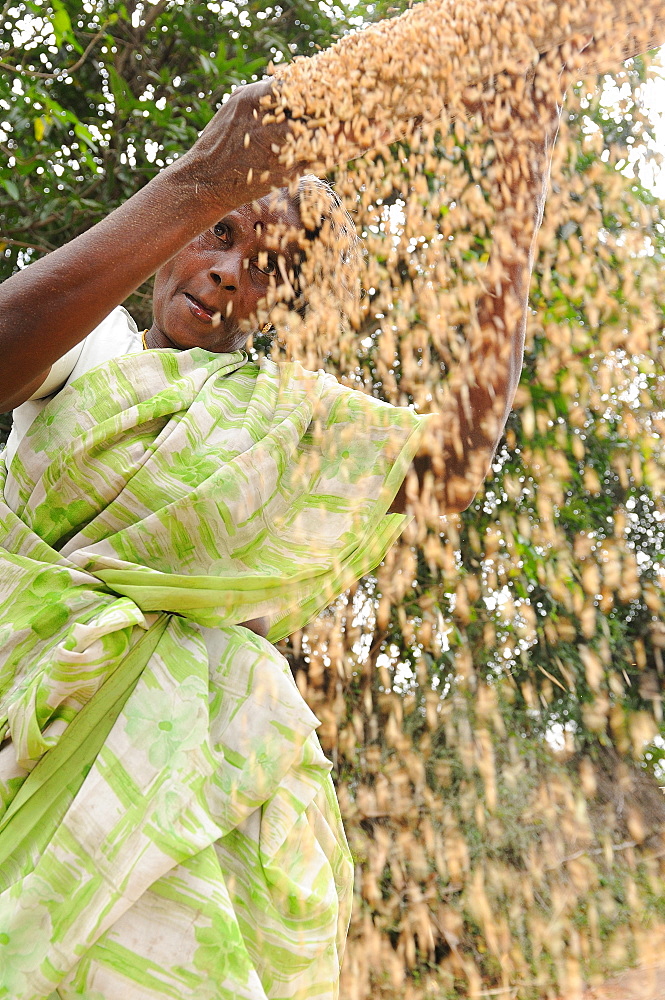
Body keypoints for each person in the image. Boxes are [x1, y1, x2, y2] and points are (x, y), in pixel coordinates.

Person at [0, 65, 561, 999]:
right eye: (221, 236)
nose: (230, 270)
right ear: (178, 237)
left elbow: (454, 467)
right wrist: (202, 177)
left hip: (190, 799)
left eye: (269, 265)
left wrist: (519, 200)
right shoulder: (89, 355)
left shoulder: (288, 419)